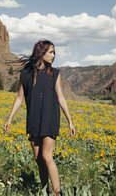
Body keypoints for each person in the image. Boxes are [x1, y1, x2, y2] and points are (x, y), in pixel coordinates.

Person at [4, 40, 76, 195]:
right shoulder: (26, 74)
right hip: (34, 118)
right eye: (51, 52)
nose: (54, 55)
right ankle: (45, 190)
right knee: (38, 157)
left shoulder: (54, 73)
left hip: (50, 118)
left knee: (46, 155)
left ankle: (57, 193)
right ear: (40, 53)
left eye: (54, 52)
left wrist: (70, 121)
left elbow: (61, 97)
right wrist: (9, 118)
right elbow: (19, 98)